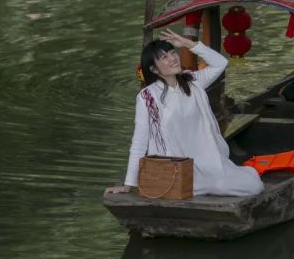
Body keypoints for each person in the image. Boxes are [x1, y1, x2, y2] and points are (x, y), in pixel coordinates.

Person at [106, 29, 263, 197]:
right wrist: (129, 184)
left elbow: (220, 63)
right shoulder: (148, 97)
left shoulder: (193, 82)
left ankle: (229, 176)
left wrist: (188, 44)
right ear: (154, 69)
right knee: (194, 187)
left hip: (208, 161)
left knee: (251, 186)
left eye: (173, 53)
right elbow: (139, 140)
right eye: (164, 57)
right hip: (174, 166)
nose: (173, 58)